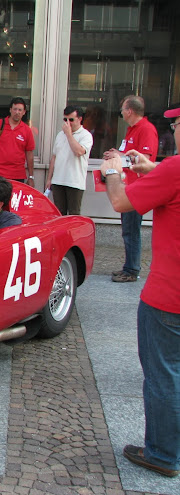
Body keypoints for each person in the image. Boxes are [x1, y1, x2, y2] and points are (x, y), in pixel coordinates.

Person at [99, 103, 180, 478]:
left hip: (169, 295)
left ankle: (162, 454)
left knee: (163, 375)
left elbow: (120, 202)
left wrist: (114, 173)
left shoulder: (176, 169)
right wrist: (149, 169)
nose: (173, 131)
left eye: (176, 124)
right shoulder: (171, 170)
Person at [103, 95, 158, 283]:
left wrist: (118, 155)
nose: (121, 114)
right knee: (128, 229)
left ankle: (132, 269)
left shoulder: (146, 129)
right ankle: (129, 267)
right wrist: (116, 156)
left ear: (130, 111)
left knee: (132, 230)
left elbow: (146, 159)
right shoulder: (132, 130)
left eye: (122, 110)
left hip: (137, 187)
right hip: (128, 186)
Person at [44, 106, 94, 215]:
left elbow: (79, 152)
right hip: (58, 180)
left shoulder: (86, 135)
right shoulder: (60, 135)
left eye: (71, 120)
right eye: (65, 120)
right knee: (58, 213)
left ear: (80, 119)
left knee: (73, 214)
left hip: (74, 181)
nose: (67, 123)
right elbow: (54, 157)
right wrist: (49, 178)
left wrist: (69, 134)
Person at [0, 97, 35, 186]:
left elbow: (29, 153)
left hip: (17, 176)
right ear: (10, 110)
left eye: (20, 110)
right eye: (15, 109)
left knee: (14, 200)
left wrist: (31, 177)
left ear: (24, 112)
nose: (17, 112)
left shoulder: (27, 130)